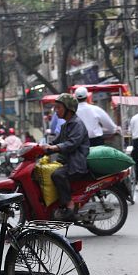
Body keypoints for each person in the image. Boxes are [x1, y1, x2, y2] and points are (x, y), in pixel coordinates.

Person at [41, 93, 90, 221]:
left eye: (58, 108)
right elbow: (55, 142)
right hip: (68, 161)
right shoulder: (66, 125)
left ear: (69, 109)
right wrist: (41, 148)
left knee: (57, 175)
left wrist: (54, 148)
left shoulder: (77, 124)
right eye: (55, 108)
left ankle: (69, 205)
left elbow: (72, 143)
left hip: (76, 163)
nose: (56, 111)